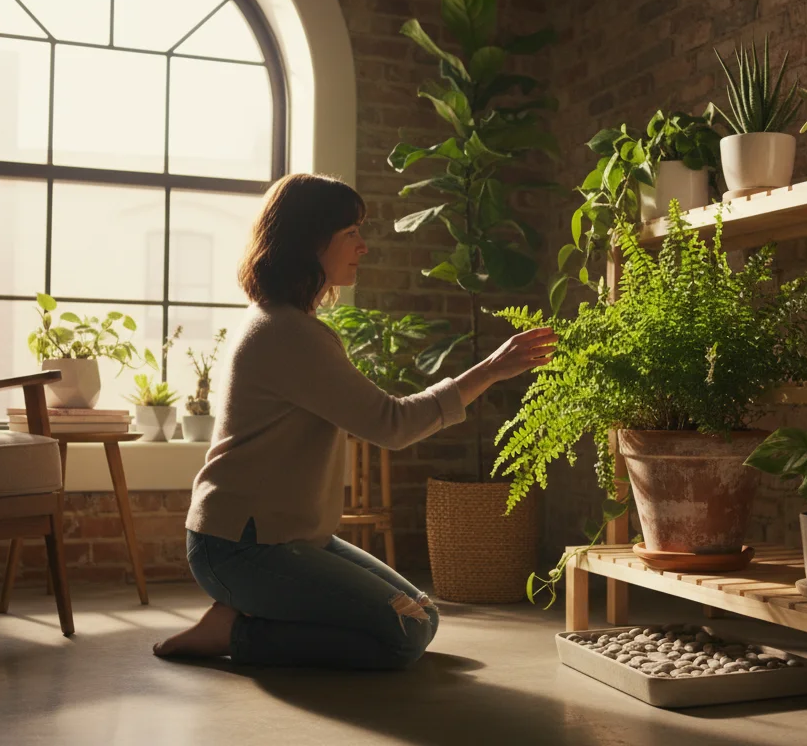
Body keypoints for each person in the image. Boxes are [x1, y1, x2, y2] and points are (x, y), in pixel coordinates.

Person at [153, 173, 556, 670]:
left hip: (286, 540)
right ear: (309, 241)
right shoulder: (287, 333)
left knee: (422, 614)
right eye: (351, 233)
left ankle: (244, 617)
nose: (363, 247)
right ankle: (236, 630)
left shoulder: (285, 323)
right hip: (242, 548)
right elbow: (393, 424)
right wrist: (491, 370)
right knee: (405, 634)